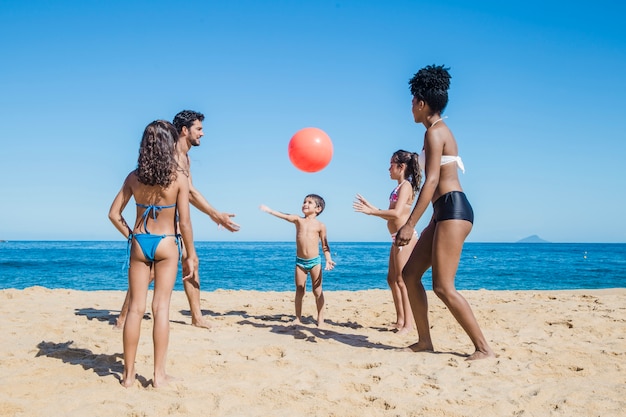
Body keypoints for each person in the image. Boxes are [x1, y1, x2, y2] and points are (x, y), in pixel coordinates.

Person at [394, 64, 495, 360]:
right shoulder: (434, 131)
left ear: (422, 104)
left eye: (413, 101)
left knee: (442, 286)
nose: (410, 107)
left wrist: (410, 224)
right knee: (410, 273)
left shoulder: (436, 133)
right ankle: (424, 341)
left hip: (454, 209)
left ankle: (484, 348)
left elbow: (433, 181)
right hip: (443, 212)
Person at [115, 110, 240, 330]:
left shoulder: (186, 157)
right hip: (161, 229)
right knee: (151, 272)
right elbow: (187, 194)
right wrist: (214, 214)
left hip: (171, 228)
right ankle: (123, 318)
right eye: (198, 129)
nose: (202, 133)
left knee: (190, 264)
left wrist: (214, 213)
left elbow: (190, 191)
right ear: (184, 130)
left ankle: (196, 316)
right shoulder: (170, 155)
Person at [108, 120, 197, 388]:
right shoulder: (179, 178)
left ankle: (128, 377)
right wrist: (190, 254)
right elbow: (184, 222)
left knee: (135, 310)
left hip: (140, 242)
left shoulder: (134, 177)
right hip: (167, 243)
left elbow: (113, 214)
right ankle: (159, 377)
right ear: (169, 144)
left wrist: (132, 236)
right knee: (161, 309)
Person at [353, 150, 422, 334]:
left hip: (405, 239)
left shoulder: (406, 185)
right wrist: (372, 208)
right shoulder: (397, 188)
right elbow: (389, 214)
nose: (388, 168)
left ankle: (408, 324)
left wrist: (371, 212)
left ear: (401, 167)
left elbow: (397, 214)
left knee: (402, 281)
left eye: (391, 164)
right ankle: (400, 321)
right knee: (392, 279)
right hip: (395, 238)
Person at [259, 194, 336, 327]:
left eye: (309, 202)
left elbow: (325, 245)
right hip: (300, 262)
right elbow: (285, 216)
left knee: (317, 291)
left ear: (318, 208)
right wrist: (269, 210)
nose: (305, 204)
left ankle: (320, 319)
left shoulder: (320, 226)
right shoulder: (298, 220)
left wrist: (328, 259)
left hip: (315, 262)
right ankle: (298, 318)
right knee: (300, 289)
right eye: (304, 202)